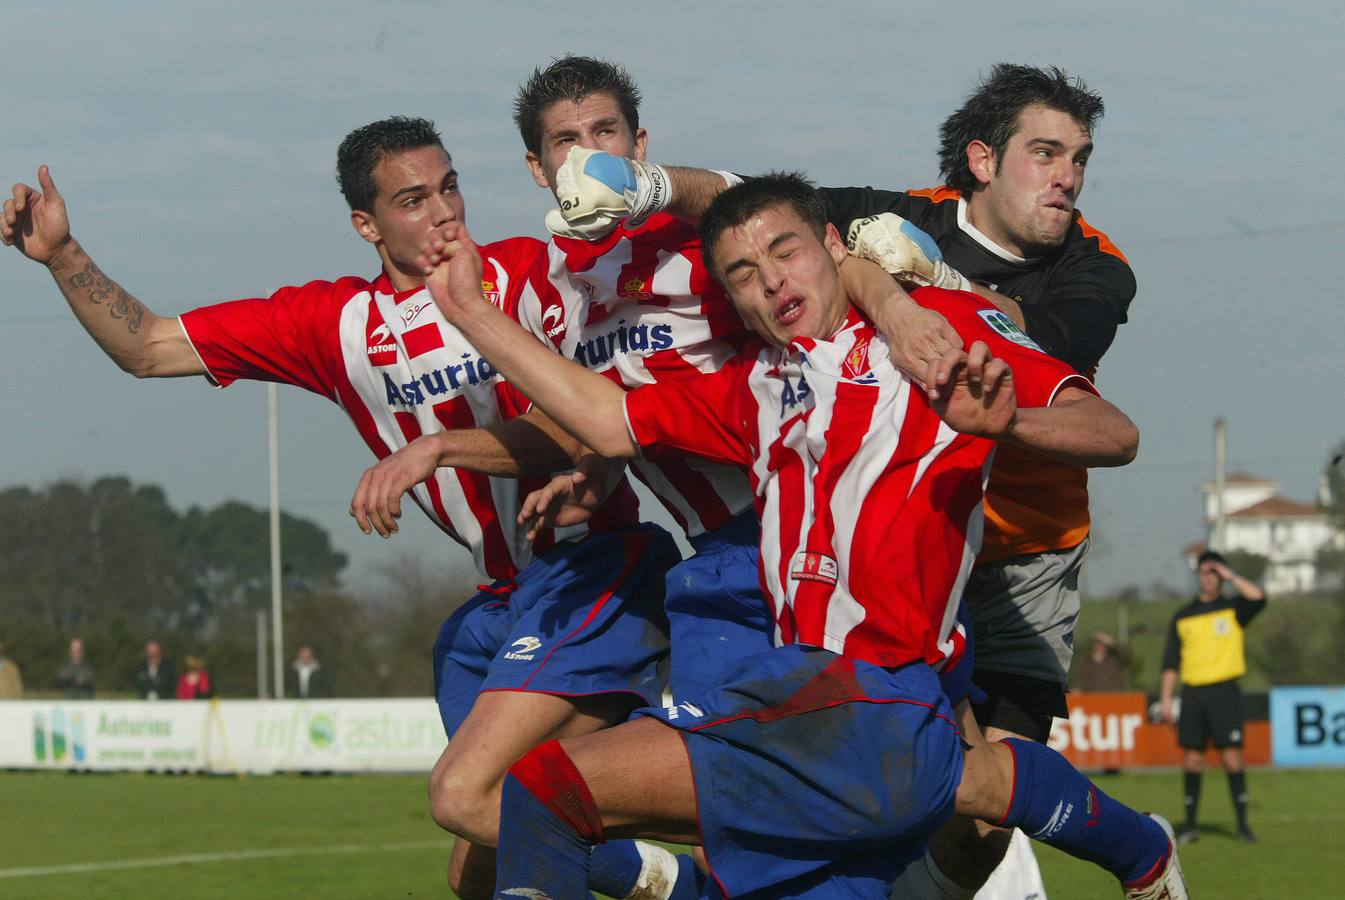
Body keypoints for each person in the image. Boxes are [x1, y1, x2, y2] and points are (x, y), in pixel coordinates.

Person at [413, 173, 1183, 899]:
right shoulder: (754, 388)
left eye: (785, 252)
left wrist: (1008, 422)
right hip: (831, 723)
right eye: (743, 273)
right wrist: (474, 314)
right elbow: (606, 419)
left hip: (874, 701)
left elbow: (1113, 433)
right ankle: (1139, 850)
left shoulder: (930, 334)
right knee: (971, 784)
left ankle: (1134, 847)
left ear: (830, 247)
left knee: (543, 789)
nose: (772, 281)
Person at [2, 116, 677, 900]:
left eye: (449, 187)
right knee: (475, 860)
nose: (445, 212)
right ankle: (663, 868)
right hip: (497, 606)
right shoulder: (335, 324)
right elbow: (149, 346)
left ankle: (703, 841)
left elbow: (589, 420)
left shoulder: (529, 276)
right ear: (366, 223)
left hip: (594, 572)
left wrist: (434, 449)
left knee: (466, 796)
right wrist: (62, 255)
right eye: (414, 200)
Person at [351, 58, 958, 898]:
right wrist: (592, 467)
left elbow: (827, 250)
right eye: (567, 142)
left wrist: (894, 305)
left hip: (811, 552)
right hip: (715, 564)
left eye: (607, 134)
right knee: (513, 838)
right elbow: (608, 411)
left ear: (641, 144)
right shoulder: (555, 281)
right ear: (537, 170)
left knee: (871, 806)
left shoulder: (700, 240)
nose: (589, 156)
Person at [545, 62, 1134, 896]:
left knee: (981, 820)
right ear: (981, 159)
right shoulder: (896, 214)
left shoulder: (1097, 265)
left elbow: (1052, 354)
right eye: (1046, 153)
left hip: (1024, 554)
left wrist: (928, 289)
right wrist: (643, 186)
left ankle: (1127, 852)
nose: (1068, 178)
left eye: (1078, 157)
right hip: (900, 540)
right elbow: (758, 209)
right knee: (869, 779)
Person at [1160, 549, 1266, 844]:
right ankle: (1190, 826)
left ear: (1220, 575)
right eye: (1204, 572)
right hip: (1193, 693)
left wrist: (1229, 574)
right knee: (1193, 759)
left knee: (1232, 758)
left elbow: (1258, 597)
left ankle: (1242, 825)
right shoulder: (1183, 616)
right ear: (1197, 577)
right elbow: (1170, 662)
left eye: (1213, 573)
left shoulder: (1233, 608)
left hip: (1225, 692)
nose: (1208, 578)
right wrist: (1167, 699)